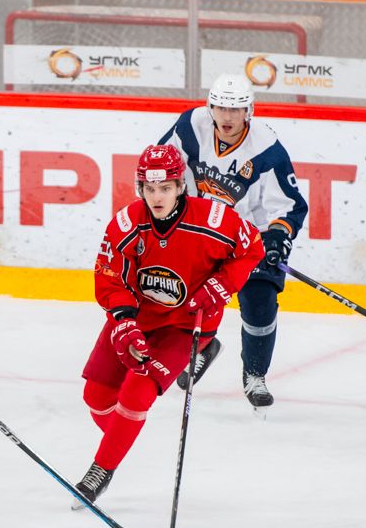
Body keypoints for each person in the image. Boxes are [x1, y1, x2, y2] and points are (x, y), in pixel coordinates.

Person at [73, 144, 264, 508]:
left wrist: (222, 284)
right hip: (137, 319)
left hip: (185, 324)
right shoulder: (127, 224)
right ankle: (120, 439)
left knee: (137, 394)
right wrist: (123, 322)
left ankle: (100, 471)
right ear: (140, 188)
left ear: (180, 186)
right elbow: (110, 277)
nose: (156, 197)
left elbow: (251, 248)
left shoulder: (214, 221)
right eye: (149, 188)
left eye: (165, 188)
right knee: (96, 397)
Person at [158, 73, 309, 412]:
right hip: (204, 230)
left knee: (259, 303)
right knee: (186, 294)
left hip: (249, 236)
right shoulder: (191, 127)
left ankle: (255, 374)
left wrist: (277, 237)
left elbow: (290, 206)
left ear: (248, 111)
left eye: (236, 109)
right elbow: (163, 166)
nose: (227, 117)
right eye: (221, 108)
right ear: (210, 107)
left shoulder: (266, 148)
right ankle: (203, 346)